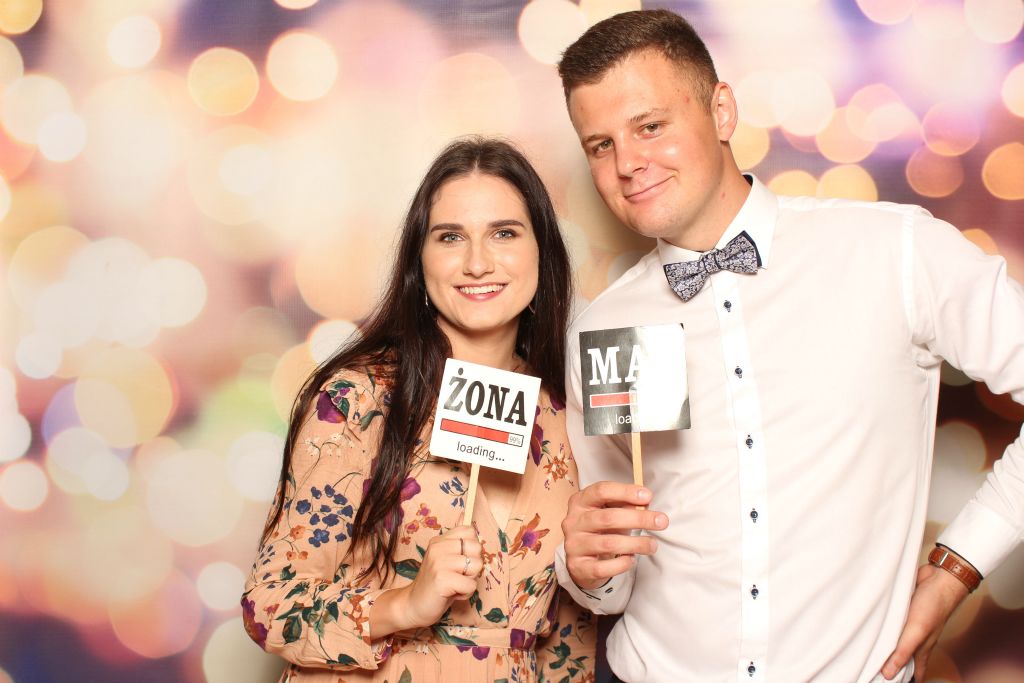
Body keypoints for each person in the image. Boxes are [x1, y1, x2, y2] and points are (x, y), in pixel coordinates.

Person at [552, 9, 1024, 683]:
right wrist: (585, 566)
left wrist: (958, 566)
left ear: (721, 111)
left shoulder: (894, 251)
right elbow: (615, 573)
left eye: (650, 126)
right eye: (601, 146)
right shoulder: (604, 327)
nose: (627, 163)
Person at [242, 137, 595, 682]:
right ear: (420, 260)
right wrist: (405, 605)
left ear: (542, 253)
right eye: (450, 237)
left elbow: (568, 645)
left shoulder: (564, 417)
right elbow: (268, 606)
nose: (477, 263)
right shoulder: (359, 400)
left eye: (504, 233)